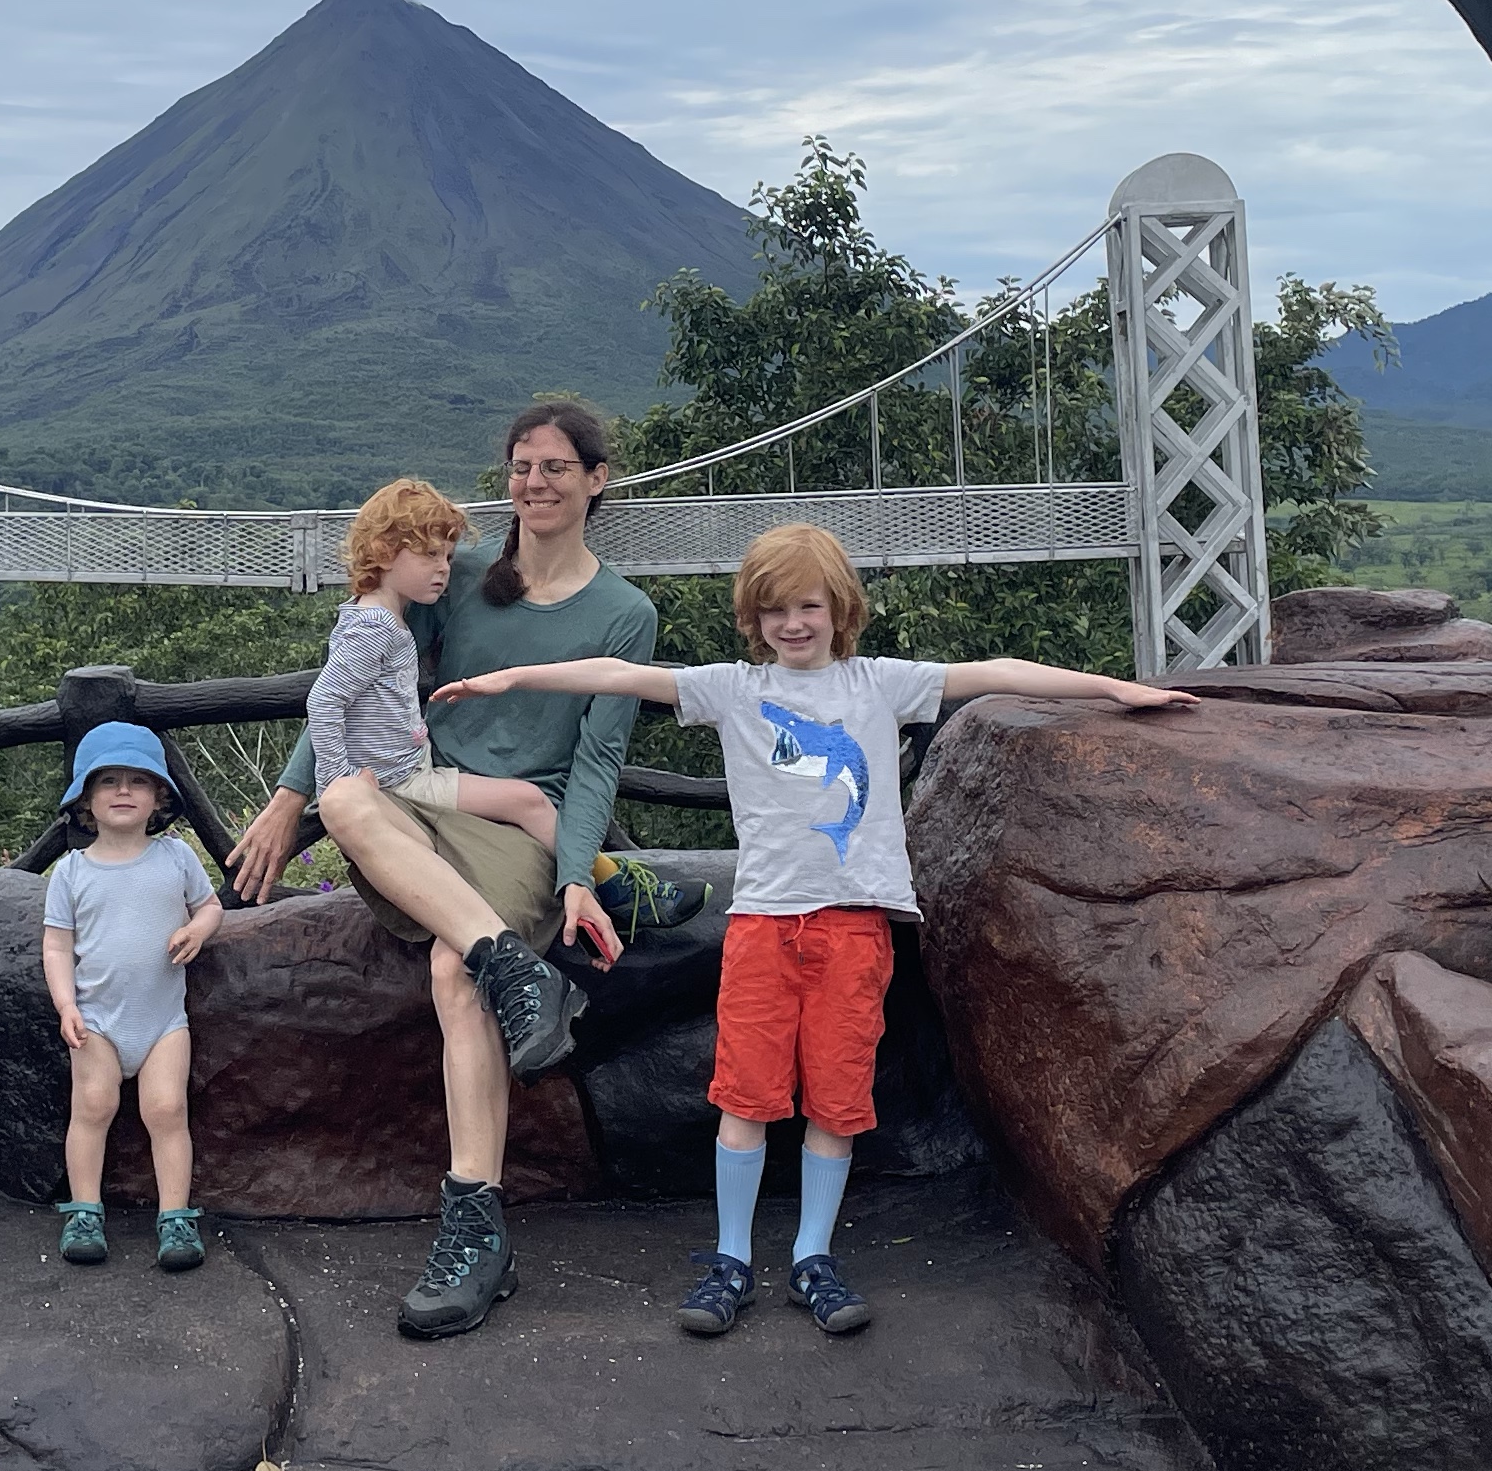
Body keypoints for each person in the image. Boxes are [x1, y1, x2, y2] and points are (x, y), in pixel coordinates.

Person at [441, 521, 1192, 1339]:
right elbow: (619, 674)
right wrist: (507, 676)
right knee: (746, 1098)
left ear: (839, 608)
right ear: (753, 619)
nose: (792, 624)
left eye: (808, 606)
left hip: (854, 931)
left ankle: (812, 1257)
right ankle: (730, 1258)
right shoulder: (735, 689)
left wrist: (1116, 689)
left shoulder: (879, 685)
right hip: (765, 926)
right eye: (774, 611)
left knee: (836, 1103)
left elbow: (997, 673)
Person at [226, 399, 698, 1341]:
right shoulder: (460, 574)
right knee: (348, 797)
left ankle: (475, 1227)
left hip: (514, 828)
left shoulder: (624, 614)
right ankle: (517, 968)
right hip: (420, 803)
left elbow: (597, 760)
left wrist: (569, 875)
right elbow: (360, 688)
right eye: (522, 465)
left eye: (557, 466)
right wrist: (289, 792)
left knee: (452, 969)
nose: (536, 482)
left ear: (598, 480)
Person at [40, 724, 225, 1273]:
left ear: (158, 797)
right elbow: (56, 945)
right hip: (95, 1018)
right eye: (109, 782)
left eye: (138, 782)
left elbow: (210, 906)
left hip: (163, 1018)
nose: (124, 791)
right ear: (86, 800)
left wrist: (199, 930)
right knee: (92, 1108)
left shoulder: (176, 857)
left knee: (167, 1110)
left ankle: (175, 1217)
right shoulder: (71, 871)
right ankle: (84, 1211)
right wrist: (66, 1005)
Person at [307, 479, 565, 861]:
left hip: (403, 771)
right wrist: (338, 784)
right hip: (403, 782)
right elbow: (324, 700)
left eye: (446, 557)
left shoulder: (365, 611)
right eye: (429, 554)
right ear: (382, 552)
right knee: (529, 801)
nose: (443, 569)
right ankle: (598, 879)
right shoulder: (376, 627)